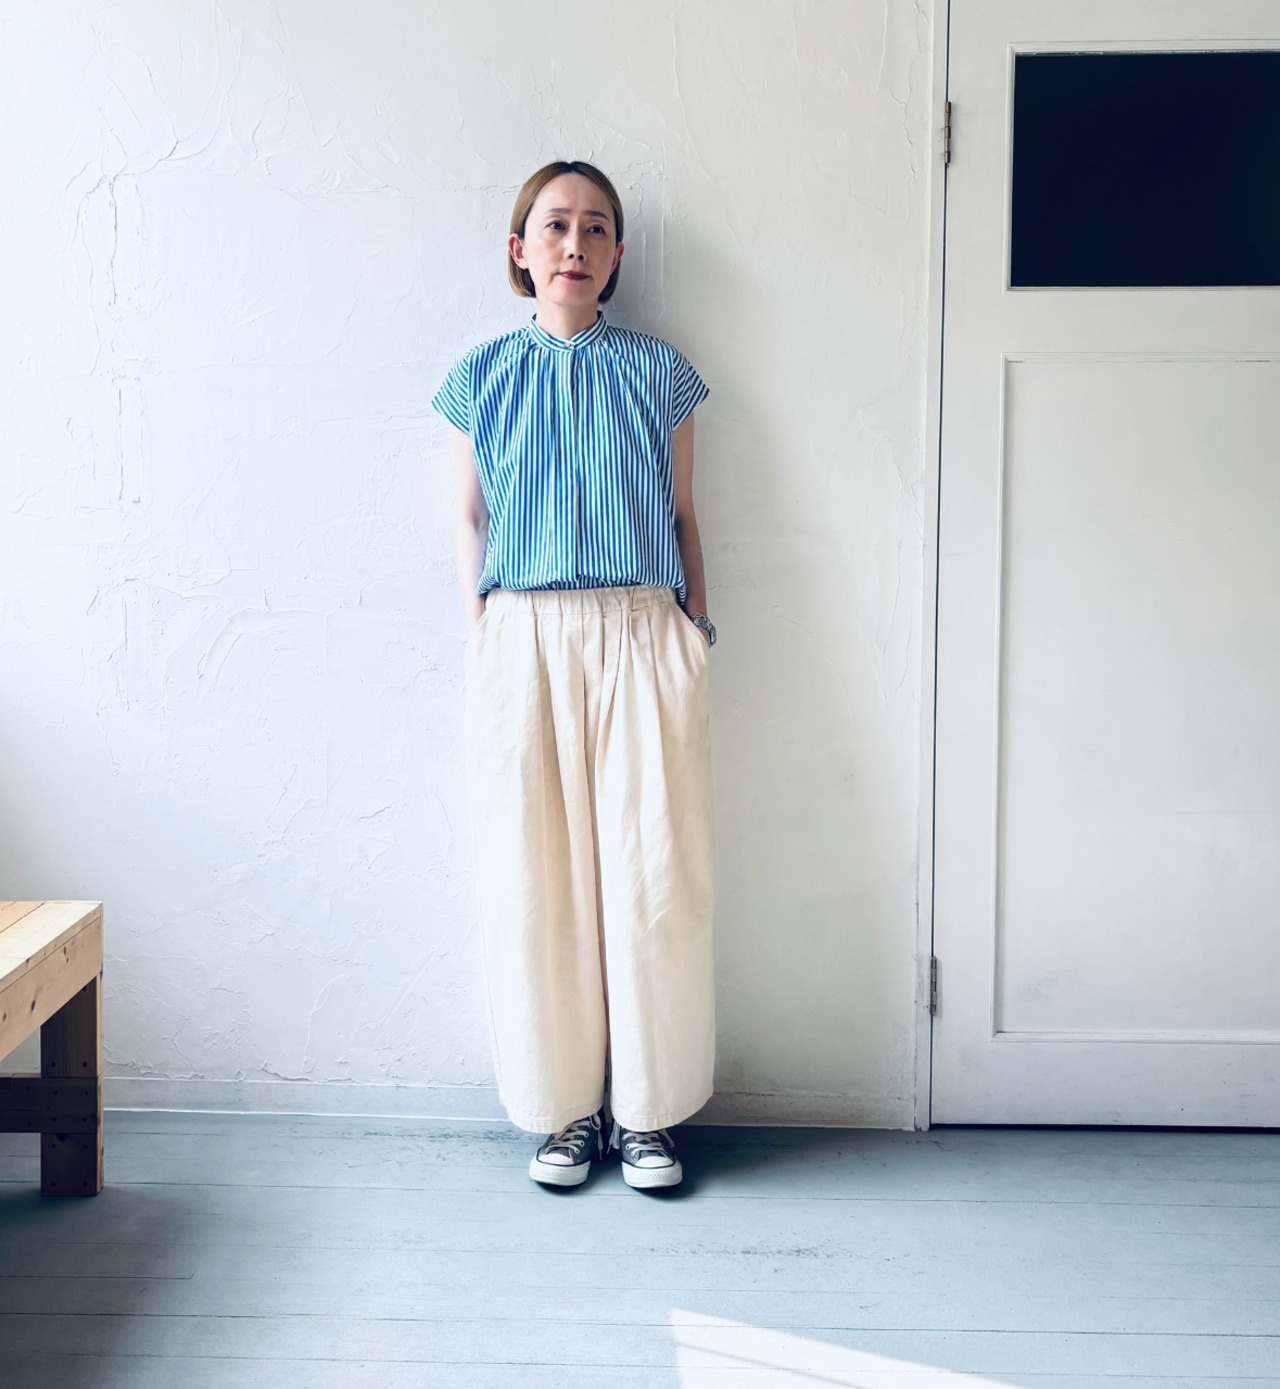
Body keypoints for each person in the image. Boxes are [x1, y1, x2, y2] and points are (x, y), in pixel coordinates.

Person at [431, 159, 716, 1191]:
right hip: (523, 633)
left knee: (651, 874)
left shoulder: (659, 371)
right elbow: (469, 516)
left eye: (596, 228)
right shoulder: (480, 376)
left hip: (641, 626)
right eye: (555, 225)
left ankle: (647, 1115)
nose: (575, 244)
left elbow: (682, 514)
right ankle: (564, 1113)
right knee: (535, 876)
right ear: (520, 249)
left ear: (617, 253)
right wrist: (483, 628)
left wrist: (693, 629)